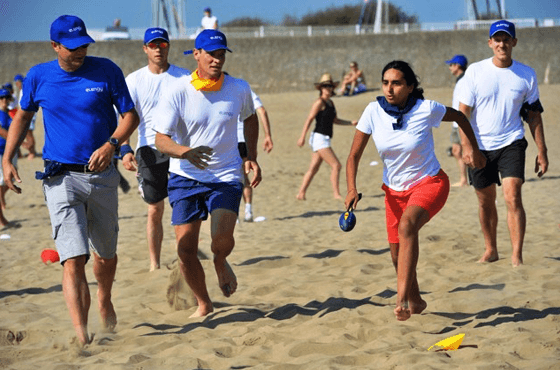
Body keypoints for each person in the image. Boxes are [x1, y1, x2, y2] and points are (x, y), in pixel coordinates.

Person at [2, 15, 139, 345]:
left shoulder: (106, 70)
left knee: (105, 256)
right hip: (60, 177)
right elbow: (23, 116)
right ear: (55, 46)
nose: (81, 52)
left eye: (84, 45)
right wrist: (7, 158)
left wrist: (113, 145)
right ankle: (81, 334)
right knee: (74, 258)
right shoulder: (38, 77)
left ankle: (104, 297)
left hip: (103, 177)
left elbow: (130, 115)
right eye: (73, 47)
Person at [345, 60, 485, 321]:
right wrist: (352, 188)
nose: (389, 89)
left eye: (396, 83)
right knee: (397, 256)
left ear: (410, 87)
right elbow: (353, 156)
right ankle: (417, 300)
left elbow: (460, 117)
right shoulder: (373, 111)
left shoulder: (426, 109)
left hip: (430, 183)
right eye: (386, 83)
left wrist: (471, 148)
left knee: (407, 226)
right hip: (393, 192)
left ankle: (401, 301)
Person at [153, 29, 261, 318]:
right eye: (211, 54)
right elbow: (160, 139)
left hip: (225, 175)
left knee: (221, 240)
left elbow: (250, 118)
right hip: (184, 177)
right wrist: (184, 152)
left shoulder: (238, 88)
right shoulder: (178, 91)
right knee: (185, 249)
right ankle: (204, 302)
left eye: (221, 54)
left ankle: (219, 259)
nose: (217, 59)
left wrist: (251, 156)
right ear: (196, 54)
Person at [458, 20, 548, 267]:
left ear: (514, 42)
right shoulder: (475, 72)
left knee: (513, 196)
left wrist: (542, 149)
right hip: (480, 145)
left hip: (512, 142)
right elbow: (462, 113)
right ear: (490, 43)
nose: (502, 44)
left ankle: (517, 256)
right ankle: (491, 250)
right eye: (497, 40)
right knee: (485, 201)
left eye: (506, 39)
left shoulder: (526, 74)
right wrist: (467, 147)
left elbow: (533, 115)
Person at [121, 27, 191, 271]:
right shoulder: (134, 80)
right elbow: (125, 118)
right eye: (153, 45)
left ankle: (185, 260)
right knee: (154, 209)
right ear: (145, 49)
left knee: (182, 206)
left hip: (178, 148)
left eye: (162, 45)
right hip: (148, 150)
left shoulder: (185, 77)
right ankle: (155, 264)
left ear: (168, 46)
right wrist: (125, 149)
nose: (158, 49)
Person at [297, 73, 357, 201]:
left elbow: (335, 120)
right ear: (321, 88)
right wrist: (302, 137)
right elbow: (309, 119)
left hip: (324, 138)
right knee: (336, 165)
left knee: (313, 168)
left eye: (330, 86)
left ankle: (301, 193)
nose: (328, 88)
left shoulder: (331, 103)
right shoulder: (319, 102)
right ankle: (336, 194)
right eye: (325, 86)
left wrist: (350, 123)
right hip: (319, 138)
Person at [237, 88, 273, 221]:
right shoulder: (245, 91)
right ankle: (248, 212)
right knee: (244, 178)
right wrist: (268, 135)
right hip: (245, 141)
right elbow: (262, 111)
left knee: (230, 179)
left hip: (227, 142)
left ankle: (232, 214)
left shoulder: (219, 92)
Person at [445, 54, 469, 187]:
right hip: (456, 122)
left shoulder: (464, 81)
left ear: (457, 65)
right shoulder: (460, 80)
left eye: (451, 65)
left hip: (461, 122)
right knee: (456, 151)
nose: (449, 68)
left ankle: (466, 179)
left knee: (463, 151)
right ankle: (464, 179)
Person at [0, 88, 17, 223]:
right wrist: (21, 143)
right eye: (1, 98)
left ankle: (2, 200)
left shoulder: (9, 114)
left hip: (9, 152)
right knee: (3, 180)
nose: (4, 100)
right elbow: (1, 131)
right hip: (0, 151)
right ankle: (2, 217)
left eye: (6, 97)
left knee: (10, 179)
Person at [13, 74, 38, 160]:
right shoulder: (21, 91)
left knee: (29, 134)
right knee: (27, 133)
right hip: (26, 114)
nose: (17, 84)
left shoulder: (25, 90)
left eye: (18, 82)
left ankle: (32, 152)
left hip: (29, 114)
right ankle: (32, 151)